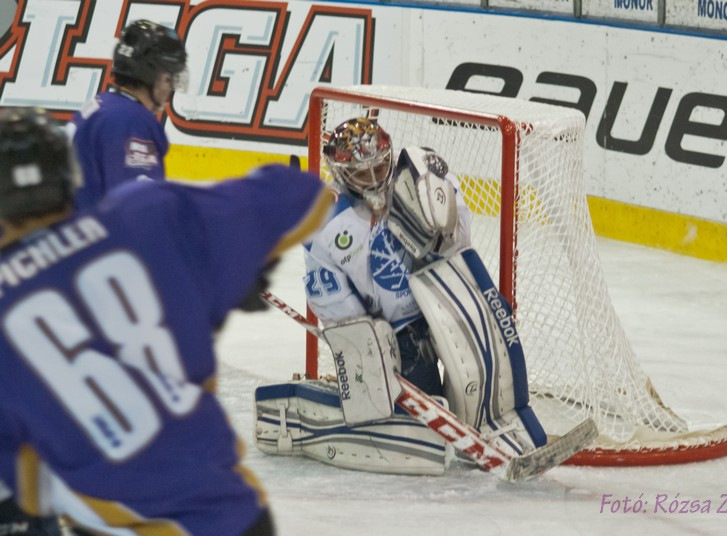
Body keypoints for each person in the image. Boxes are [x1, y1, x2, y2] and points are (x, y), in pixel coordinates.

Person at [0, 107, 334, 535]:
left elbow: (20, 493)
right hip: (234, 517)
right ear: (68, 179)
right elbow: (297, 192)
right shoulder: (144, 218)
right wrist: (246, 262)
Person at [254, 117, 547, 476]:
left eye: (379, 166)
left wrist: (439, 225)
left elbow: (461, 240)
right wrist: (366, 340)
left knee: (491, 372)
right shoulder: (325, 221)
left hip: (445, 299)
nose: (375, 179)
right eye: (362, 174)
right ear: (342, 174)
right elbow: (326, 294)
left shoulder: (421, 179)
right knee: (425, 426)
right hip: (398, 332)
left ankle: (510, 431)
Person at [68, 20, 187, 209]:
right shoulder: (131, 120)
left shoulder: (105, 104)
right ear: (154, 76)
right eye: (168, 79)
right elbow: (139, 209)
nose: (170, 89)